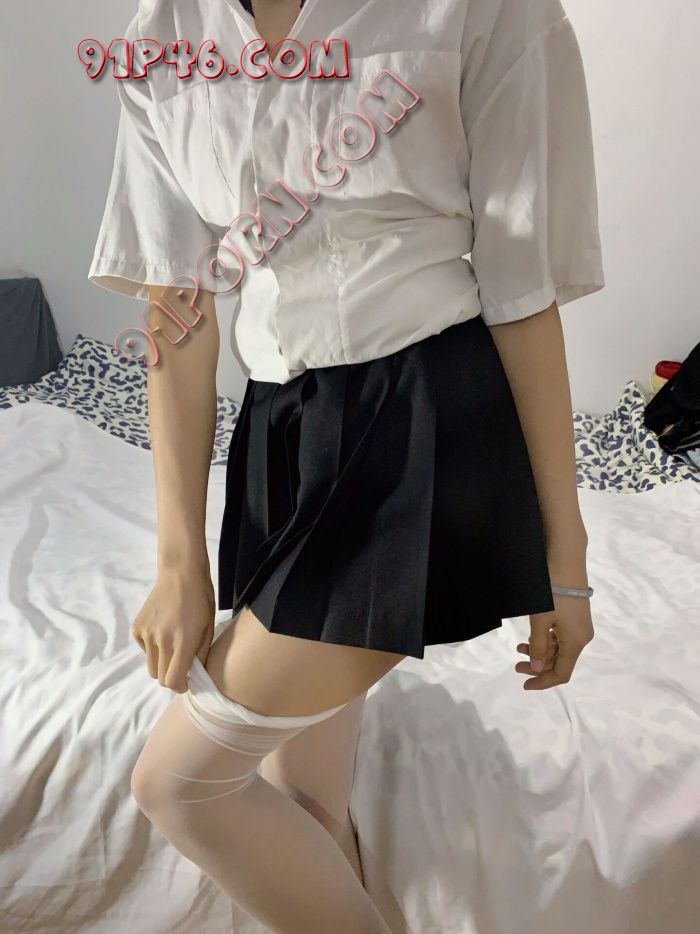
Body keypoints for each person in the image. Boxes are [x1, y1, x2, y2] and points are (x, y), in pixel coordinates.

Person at [87, 0, 604, 930]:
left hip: (426, 415)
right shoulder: (163, 31)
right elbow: (179, 303)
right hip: (280, 424)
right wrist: (178, 560)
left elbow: (523, 289)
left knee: (179, 784)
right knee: (308, 804)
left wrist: (564, 562)